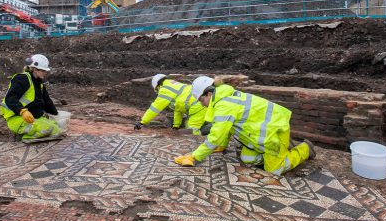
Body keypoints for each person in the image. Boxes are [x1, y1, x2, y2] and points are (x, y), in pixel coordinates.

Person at [174, 76, 316, 175]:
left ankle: (304, 149)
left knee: (274, 170)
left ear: (209, 94)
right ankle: (281, 149)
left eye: (200, 100)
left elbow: (215, 136)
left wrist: (194, 157)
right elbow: (227, 128)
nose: (201, 104)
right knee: (247, 159)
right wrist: (222, 146)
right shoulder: (224, 98)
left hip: (274, 132)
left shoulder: (224, 105)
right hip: (261, 136)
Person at [0, 54, 62, 144]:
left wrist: (56, 114)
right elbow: (10, 98)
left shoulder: (39, 83)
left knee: (57, 129)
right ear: (35, 69)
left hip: (33, 117)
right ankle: (25, 137)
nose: (45, 73)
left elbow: (47, 101)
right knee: (47, 128)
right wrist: (22, 111)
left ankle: (33, 133)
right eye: (43, 70)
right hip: (17, 118)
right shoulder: (22, 79)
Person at [134, 74, 206, 136]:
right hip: (203, 101)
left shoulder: (165, 89)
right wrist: (176, 126)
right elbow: (178, 109)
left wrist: (142, 122)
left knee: (192, 132)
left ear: (157, 86)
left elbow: (155, 108)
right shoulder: (175, 86)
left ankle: (200, 148)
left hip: (198, 105)